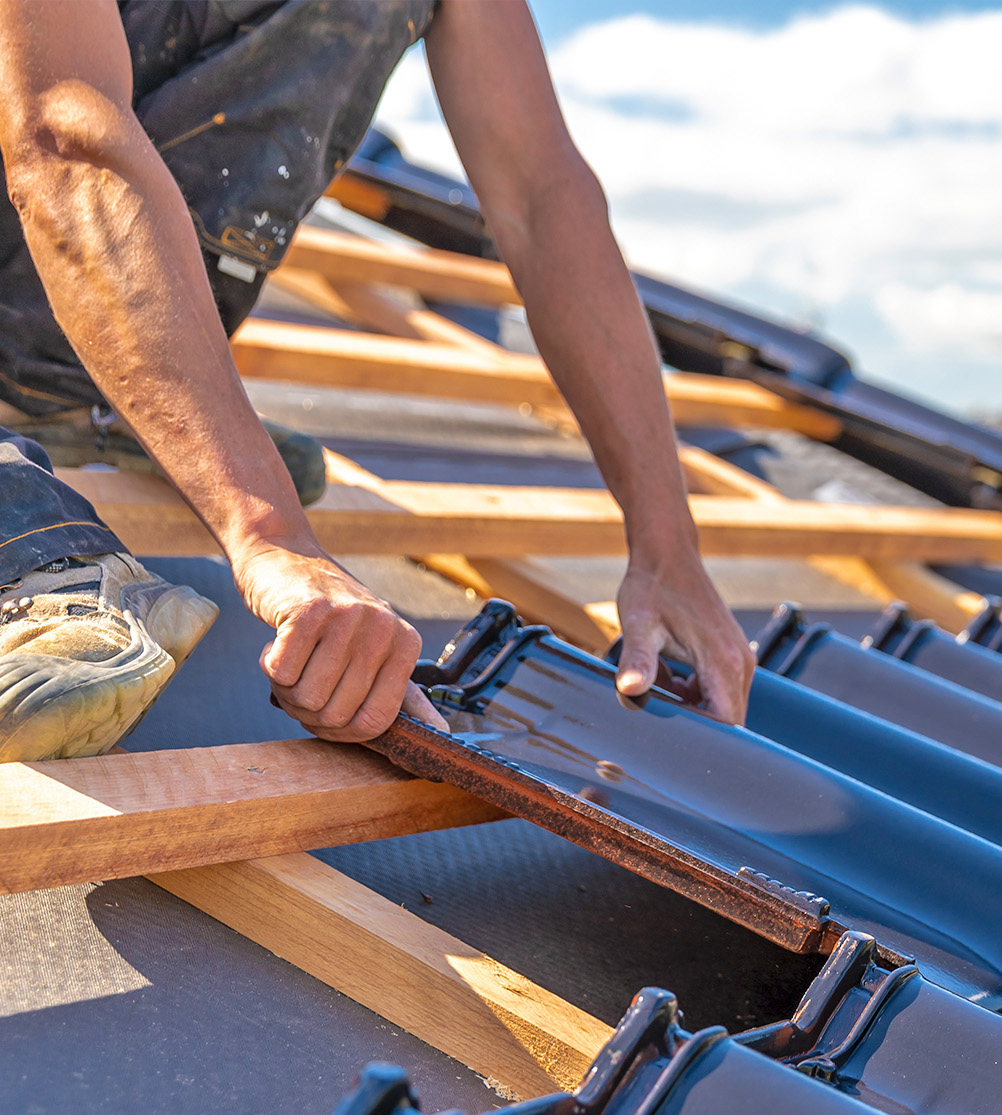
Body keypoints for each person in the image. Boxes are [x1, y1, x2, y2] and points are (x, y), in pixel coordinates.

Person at [0, 0, 754, 763]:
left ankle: (94, 385)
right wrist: (268, 533)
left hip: (55, 323)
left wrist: (667, 541)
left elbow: (544, 196)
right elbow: (64, 137)